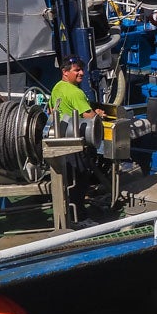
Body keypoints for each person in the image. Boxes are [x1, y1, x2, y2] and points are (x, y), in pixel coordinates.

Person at [50, 56, 106, 218]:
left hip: (59, 140)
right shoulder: (76, 92)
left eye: (82, 69)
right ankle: (79, 217)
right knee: (80, 180)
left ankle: (66, 212)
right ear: (65, 72)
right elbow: (88, 116)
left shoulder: (57, 88)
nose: (81, 73)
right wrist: (99, 115)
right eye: (77, 70)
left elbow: (52, 111)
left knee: (66, 179)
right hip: (75, 142)